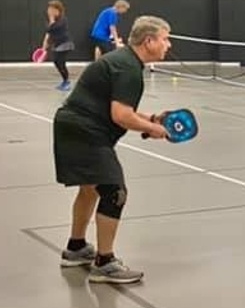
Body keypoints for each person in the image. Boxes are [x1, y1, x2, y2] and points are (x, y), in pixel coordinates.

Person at [54, 16, 172, 284]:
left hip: (73, 125)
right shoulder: (128, 68)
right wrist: (153, 130)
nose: (169, 43)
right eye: (165, 38)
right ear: (149, 41)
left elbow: (122, 109)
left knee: (90, 188)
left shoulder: (123, 61)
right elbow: (120, 115)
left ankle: (76, 248)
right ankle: (105, 262)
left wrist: (151, 119)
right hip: (85, 131)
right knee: (114, 192)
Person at [41, 0, 74, 91]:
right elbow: (49, 32)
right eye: (49, 9)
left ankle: (67, 82)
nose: (49, 11)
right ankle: (65, 81)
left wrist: (51, 19)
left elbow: (53, 28)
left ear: (57, 10)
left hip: (65, 44)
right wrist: (44, 45)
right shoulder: (50, 21)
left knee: (60, 62)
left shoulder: (63, 20)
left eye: (51, 9)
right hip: (56, 44)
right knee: (56, 62)